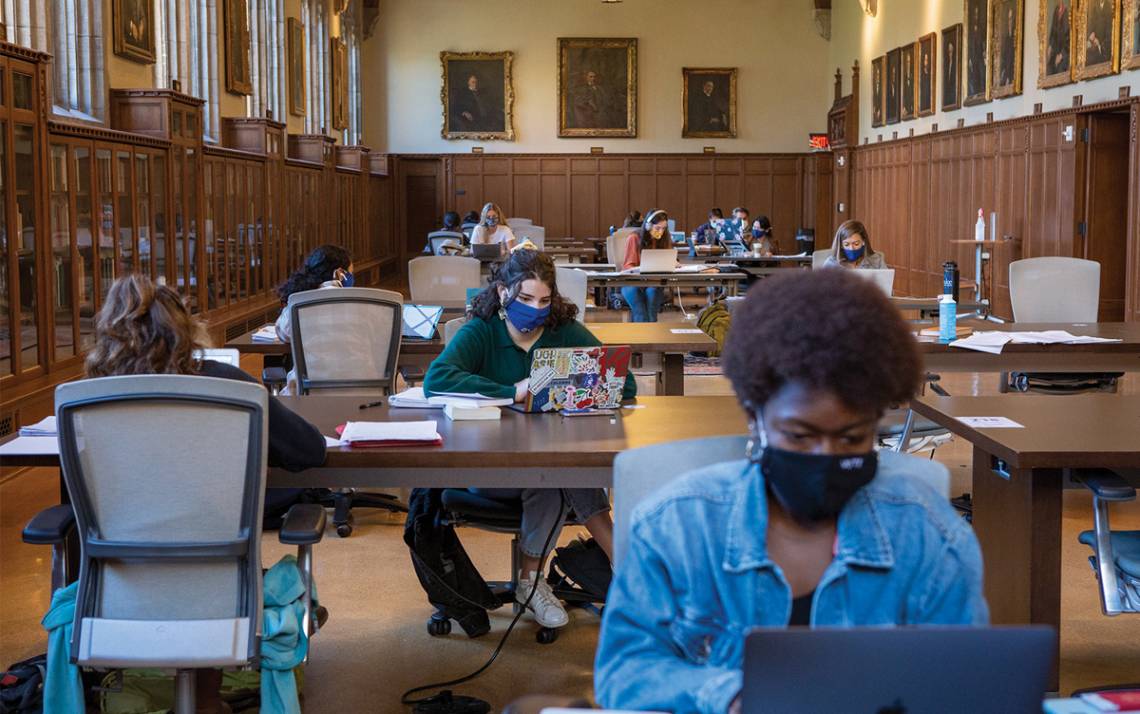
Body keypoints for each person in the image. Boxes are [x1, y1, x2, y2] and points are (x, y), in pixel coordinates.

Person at [594, 269, 988, 713]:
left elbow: (963, 688)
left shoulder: (929, 536)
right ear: (755, 417)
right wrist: (730, 697)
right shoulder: (676, 526)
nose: (825, 456)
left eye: (852, 438)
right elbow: (623, 674)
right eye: (800, 437)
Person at [86, 274, 327, 714]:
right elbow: (309, 450)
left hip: (120, 584)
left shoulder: (88, 400)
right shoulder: (228, 385)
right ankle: (207, 699)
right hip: (219, 581)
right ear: (186, 328)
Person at [423, 249, 636, 629]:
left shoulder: (562, 330)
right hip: (491, 469)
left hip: (548, 467)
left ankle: (531, 583)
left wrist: (578, 391)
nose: (535, 309)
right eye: (525, 299)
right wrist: (511, 389)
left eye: (543, 300)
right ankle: (624, 566)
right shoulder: (481, 330)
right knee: (558, 475)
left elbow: (624, 382)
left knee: (554, 476)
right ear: (504, 293)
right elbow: (437, 380)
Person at [275, 244, 354, 342]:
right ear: (339, 273)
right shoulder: (351, 301)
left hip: (311, 358)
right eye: (350, 273)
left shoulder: (299, 300)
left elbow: (284, 333)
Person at [621, 209, 673, 322]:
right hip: (632, 283)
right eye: (657, 228)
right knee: (642, 315)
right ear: (648, 226)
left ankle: (652, 337)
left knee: (651, 313)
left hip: (653, 282)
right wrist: (642, 270)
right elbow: (628, 267)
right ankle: (641, 338)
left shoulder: (664, 240)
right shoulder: (634, 238)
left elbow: (667, 261)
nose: (661, 232)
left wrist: (673, 263)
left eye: (664, 228)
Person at [1047, 0, 1071, 75]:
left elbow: (1068, 39)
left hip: (1064, 52)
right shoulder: (1056, 11)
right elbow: (1053, 31)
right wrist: (1050, 45)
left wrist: (1061, 55)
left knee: (1059, 70)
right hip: (1055, 50)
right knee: (1049, 69)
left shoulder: (1066, 12)